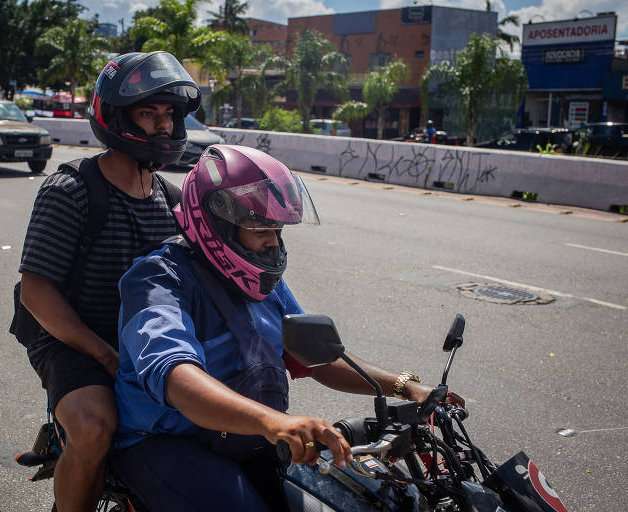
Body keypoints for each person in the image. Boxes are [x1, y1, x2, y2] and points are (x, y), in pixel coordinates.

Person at [111, 144, 463, 511]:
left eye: (277, 229)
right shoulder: (157, 279)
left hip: (248, 432)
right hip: (167, 439)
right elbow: (178, 380)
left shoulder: (263, 281)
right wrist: (274, 423)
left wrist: (408, 388)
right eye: (261, 228)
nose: (273, 242)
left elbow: (315, 357)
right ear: (217, 224)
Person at [17, 51, 200, 512]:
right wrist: (102, 353)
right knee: (95, 425)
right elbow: (36, 291)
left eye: (169, 115)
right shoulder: (72, 191)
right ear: (116, 117)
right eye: (147, 113)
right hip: (71, 340)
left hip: (147, 343)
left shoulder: (173, 203)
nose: (162, 126)